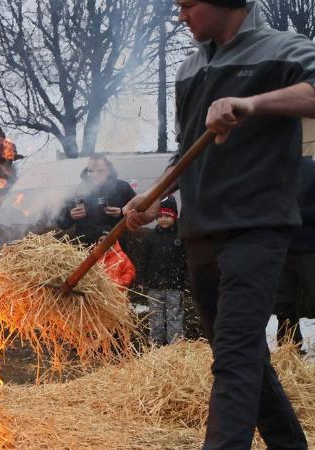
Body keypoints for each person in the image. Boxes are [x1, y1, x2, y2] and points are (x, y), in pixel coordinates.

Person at [123, 1, 315, 447]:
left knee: (234, 355)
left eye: (189, 5)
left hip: (257, 226)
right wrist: (155, 197)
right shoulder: (190, 68)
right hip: (200, 231)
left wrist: (252, 103)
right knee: (241, 354)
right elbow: (187, 148)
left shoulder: (284, 49)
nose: (180, 16)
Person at [275, 157, 315, 351]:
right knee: (283, 302)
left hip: (309, 247)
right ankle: (289, 347)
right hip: (281, 248)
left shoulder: (311, 169)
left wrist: (295, 214)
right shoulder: (271, 171)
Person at [138, 196, 185, 346]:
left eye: (167, 216)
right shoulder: (151, 236)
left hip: (174, 284)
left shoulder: (181, 235)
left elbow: (187, 260)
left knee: (174, 315)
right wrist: (141, 278)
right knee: (155, 315)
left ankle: (175, 345)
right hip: (155, 284)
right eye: (160, 216)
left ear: (174, 216)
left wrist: (186, 279)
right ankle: (156, 343)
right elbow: (143, 258)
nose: (163, 219)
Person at [57, 154, 135, 245]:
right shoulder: (79, 190)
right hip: (85, 248)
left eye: (100, 171)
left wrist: (122, 213)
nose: (94, 175)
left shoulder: (122, 187)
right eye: (90, 171)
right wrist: (70, 215)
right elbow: (62, 223)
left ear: (109, 171)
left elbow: (139, 213)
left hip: (116, 247)